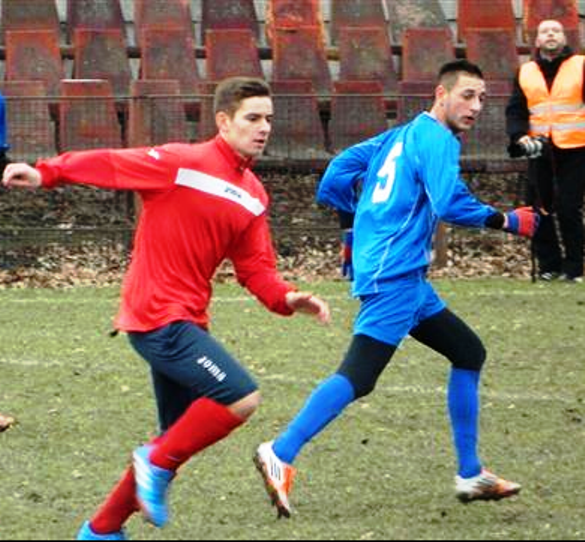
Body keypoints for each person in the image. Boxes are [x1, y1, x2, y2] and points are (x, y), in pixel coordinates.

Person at [2, 77, 331, 540]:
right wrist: (48, 173)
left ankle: (101, 530)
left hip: (187, 318)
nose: (264, 128)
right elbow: (112, 163)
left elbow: (256, 269)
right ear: (224, 122)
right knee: (240, 397)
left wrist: (286, 297)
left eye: (269, 119)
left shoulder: (254, 194)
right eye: (253, 118)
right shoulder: (182, 163)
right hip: (156, 314)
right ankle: (150, 466)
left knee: (174, 440)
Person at [254, 60, 539, 519]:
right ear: (441, 94)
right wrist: (507, 220)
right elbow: (448, 201)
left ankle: (470, 473)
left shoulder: (398, 136)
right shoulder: (438, 139)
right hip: (395, 275)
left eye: (482, 98)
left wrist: (355, 227)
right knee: (360, 374)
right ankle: (280, 451)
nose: (475, 106)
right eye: (467, 95)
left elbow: (336, 175)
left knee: (468, 351)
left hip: (402, 276)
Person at [506, 20, 585, 283]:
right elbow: (516, 110)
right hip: (539, 149)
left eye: (556, 30)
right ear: (537, 40)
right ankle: (549, 266)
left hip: (576, 148)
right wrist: (519, 136)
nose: (551, 34)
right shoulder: (525, 71)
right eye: (545, 31)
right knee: (539, 207)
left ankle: (574, 268)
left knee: (568, 207)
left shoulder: (581, 65)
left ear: (564, 38)